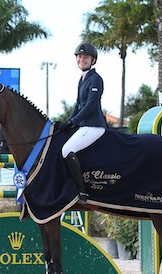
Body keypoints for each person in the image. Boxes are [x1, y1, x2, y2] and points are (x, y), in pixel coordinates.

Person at [60, 41, 107, 201]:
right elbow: (78, 105)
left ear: (93, 60)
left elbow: (91, 106)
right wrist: (67, 122)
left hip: (94, 126)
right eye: (79, 56)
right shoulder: (83, 79)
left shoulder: (96, 79)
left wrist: (74, 120)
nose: (82, 59)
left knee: (67, 150)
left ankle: (82, 191)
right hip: (84, 125)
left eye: (86, 57)